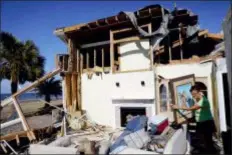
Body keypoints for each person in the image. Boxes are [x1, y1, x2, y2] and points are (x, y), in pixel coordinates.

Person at [170, 84, 217, 153]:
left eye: (194, 94)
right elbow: (197, 112)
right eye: (192, 94)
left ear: (199, 92)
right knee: (203, 141)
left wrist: (177, 107)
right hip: (201, 123)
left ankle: (212, 152)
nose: (193, 96)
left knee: (208, 142)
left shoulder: (203, 101)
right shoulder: (198, 99)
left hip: (207, 124)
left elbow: (191, 108)